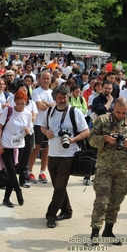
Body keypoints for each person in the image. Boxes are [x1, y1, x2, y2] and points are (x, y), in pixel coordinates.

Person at [87, 97, 127, 245]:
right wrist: (105, 138)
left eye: (124, 112)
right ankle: (95, 233)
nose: (121, 115)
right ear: (113, 108)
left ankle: (108, 231)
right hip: (104, 168)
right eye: (118, 112)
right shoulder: (103, 120)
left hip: (122, 170)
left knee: (115, 202)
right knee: (101, 201)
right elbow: (91, 140)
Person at [41, 85, 90, 228]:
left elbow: (86, 131)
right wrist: (46, 132)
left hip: (68, 155)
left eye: (65, 97)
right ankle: (67, 210)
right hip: (52, 154)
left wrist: (73, 139)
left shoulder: (74, 112)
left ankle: (51, 215)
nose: (63, 100)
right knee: (58, 186)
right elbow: (42, 126)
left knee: (60, 186)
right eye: (60, 97)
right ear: (55, 98)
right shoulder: (49, 111)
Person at [0, 89, 31, 208]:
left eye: (23, 103)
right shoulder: (8, 110)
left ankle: (6, 198)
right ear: (15, 102)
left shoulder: (28, 113)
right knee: (10, 171)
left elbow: (29, 128)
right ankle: (18, 192)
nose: (21, 106)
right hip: (6, 144)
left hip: (19, 145)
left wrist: (27, 130)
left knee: (13, 172)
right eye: (19, 103)